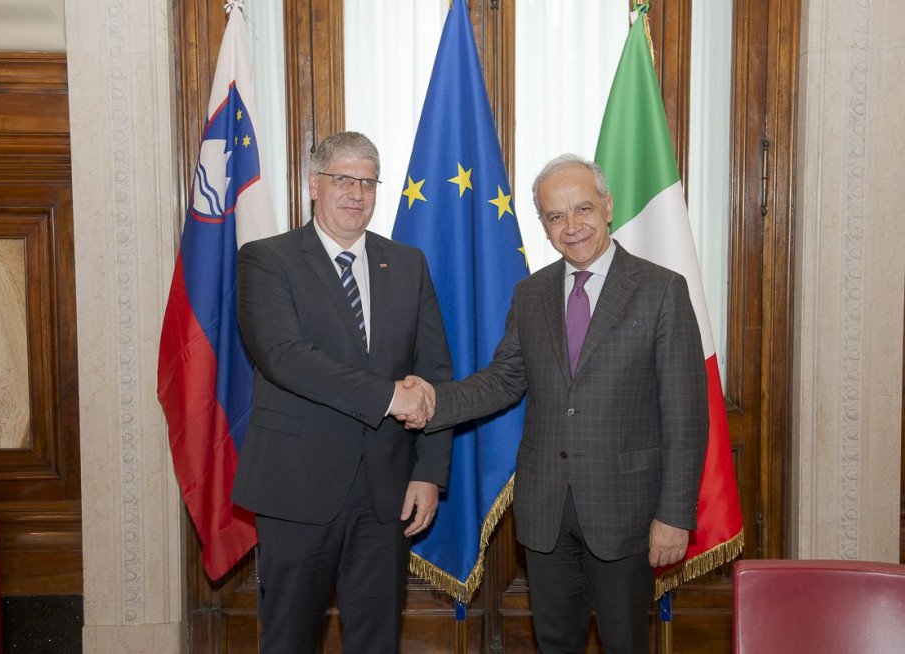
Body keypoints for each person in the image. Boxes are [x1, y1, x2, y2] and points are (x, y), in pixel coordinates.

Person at [402, 154, 708, 653]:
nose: (572, 227)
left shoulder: (661, 290)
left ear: (607, 207)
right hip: (545, 510)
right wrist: (433, 398)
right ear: (542, 224)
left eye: (583, 209)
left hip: (626, 512)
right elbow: (503, 381)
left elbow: (686, 416)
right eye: (555, 216)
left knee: (626, 641)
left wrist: (674, 514)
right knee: (554, 642)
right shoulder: (532, 293)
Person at [232, 131, 452, 654]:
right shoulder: (267, 259)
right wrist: (387, 397)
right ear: (314, 184)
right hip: (296, 487)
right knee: (289, 638)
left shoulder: (407, 263)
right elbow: (284, 356)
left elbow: (434, 373)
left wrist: (427, 473)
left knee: (377, 640)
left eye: (368, 182)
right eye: (343, 179)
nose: (356, 193)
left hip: (386, 494)